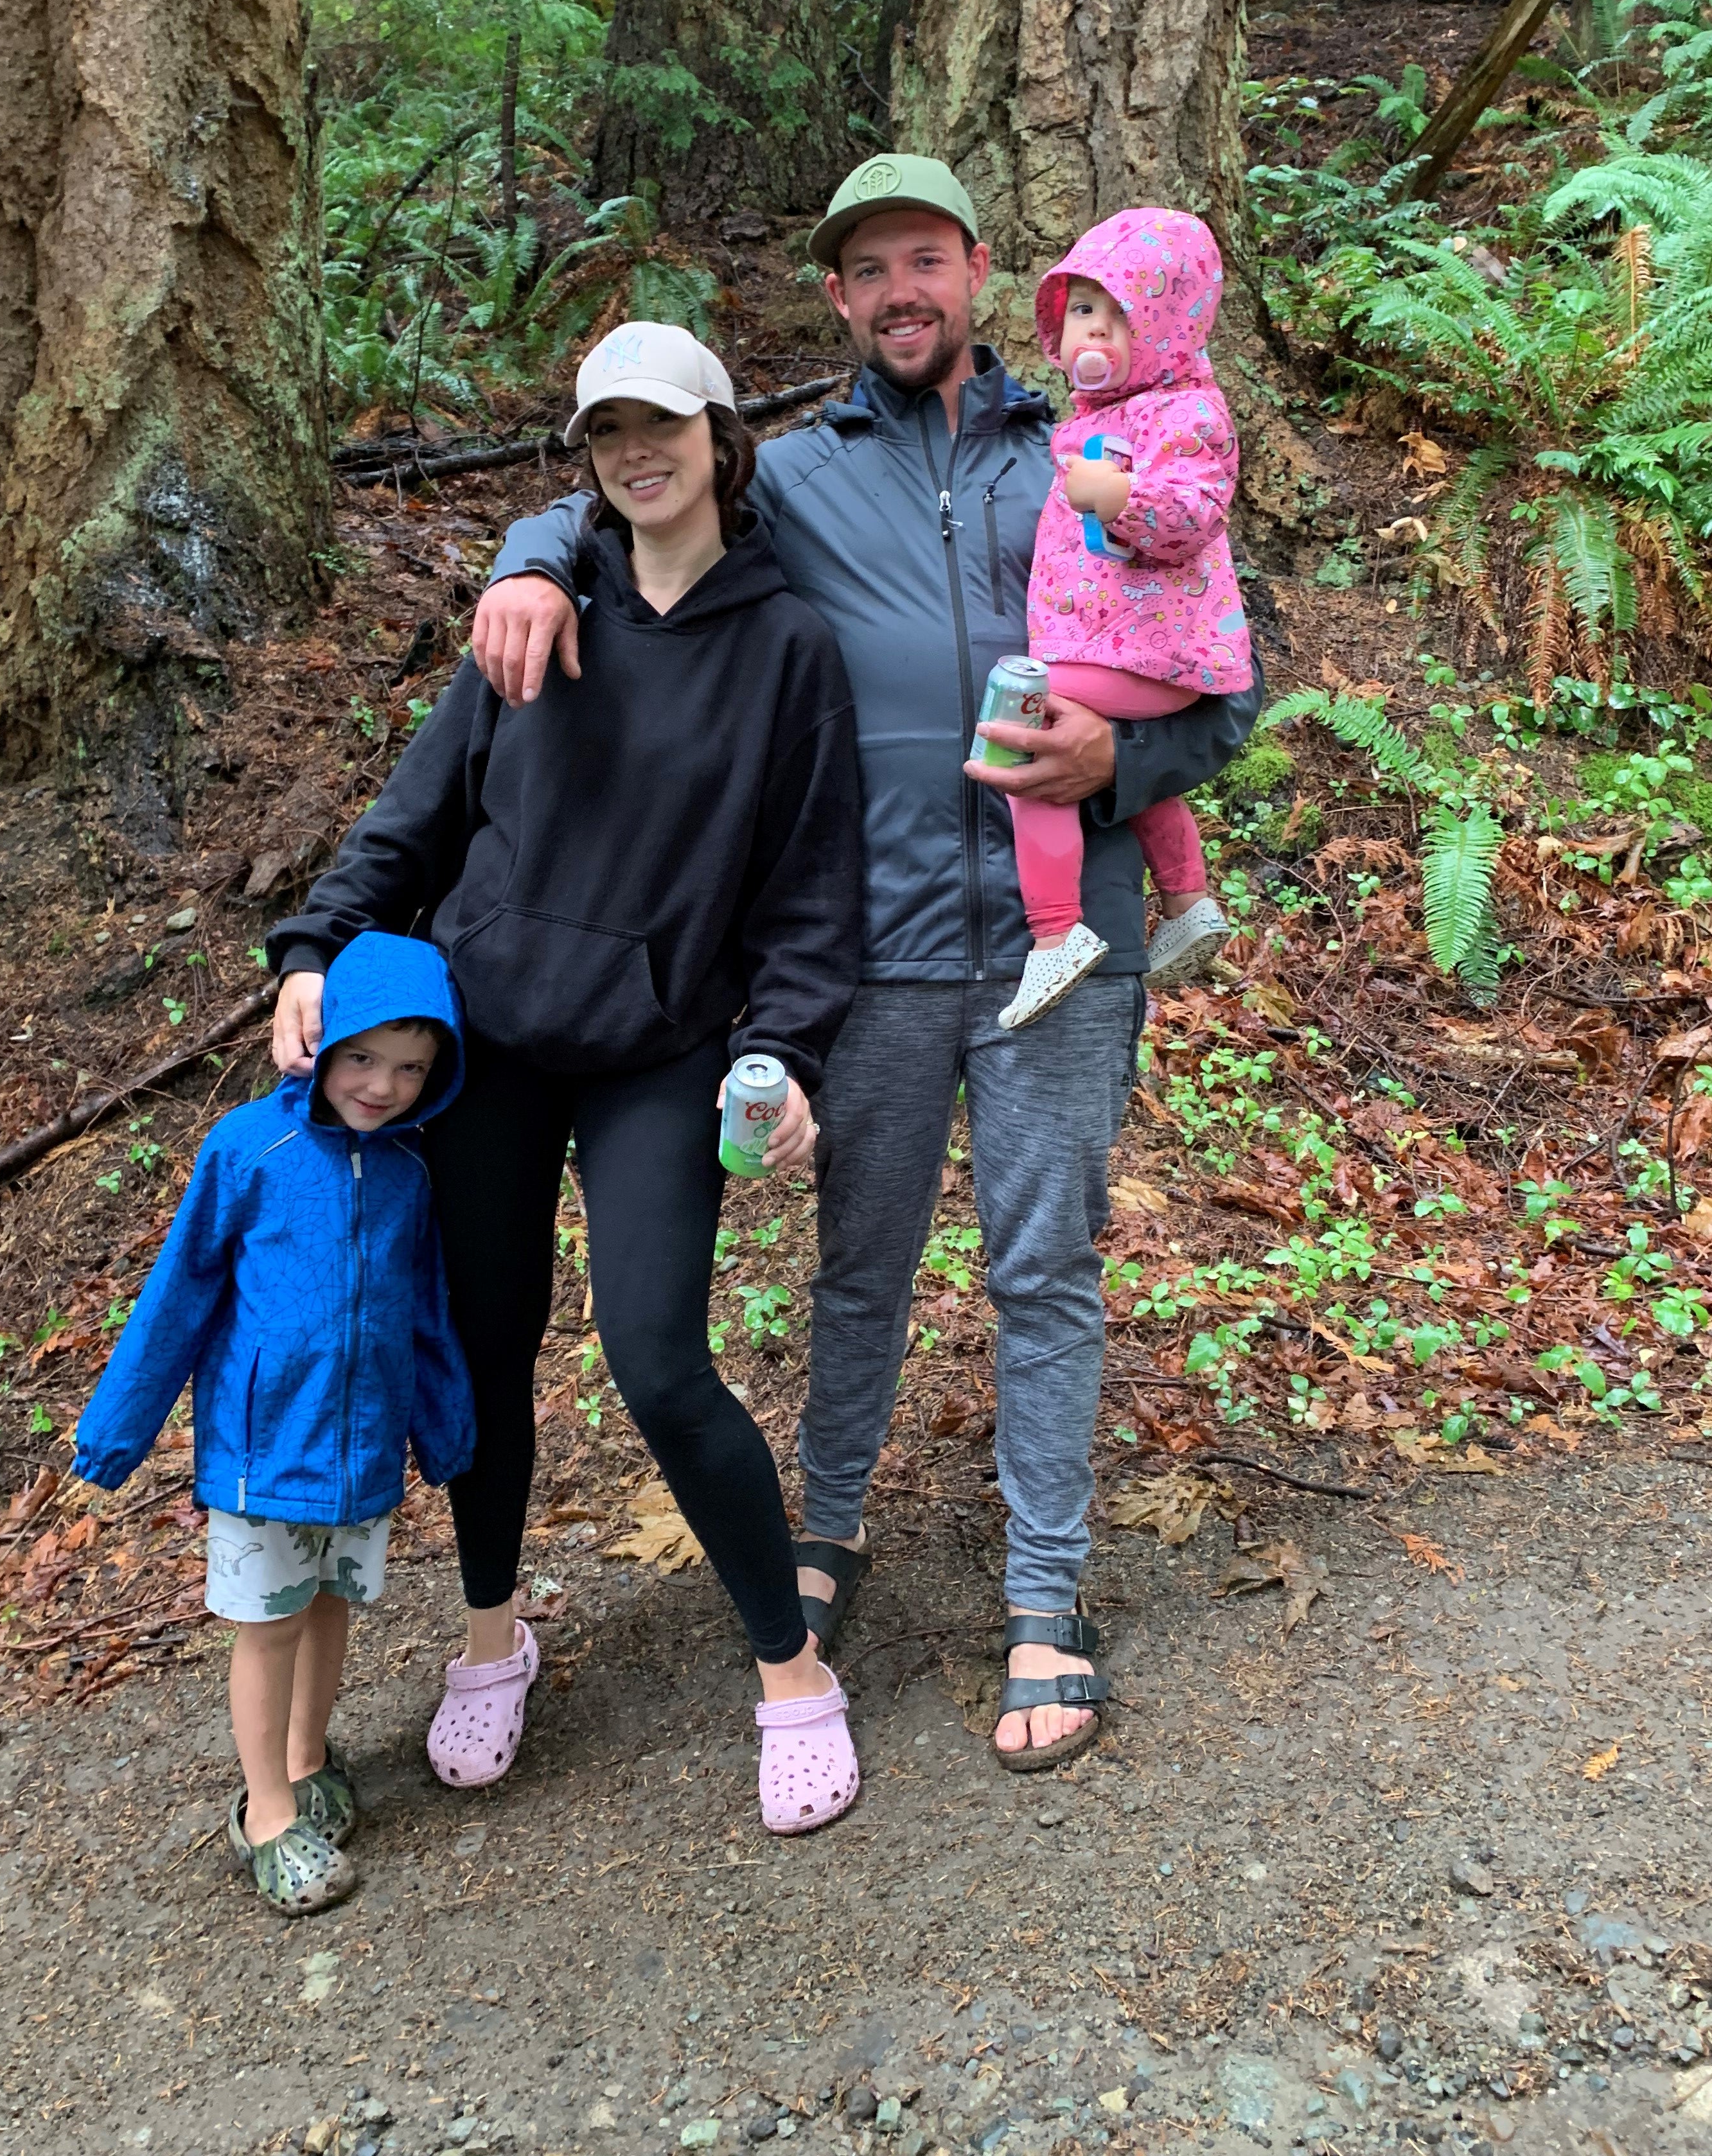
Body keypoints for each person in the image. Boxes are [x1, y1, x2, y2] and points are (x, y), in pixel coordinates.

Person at [473, 156, 1264, 1773]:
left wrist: (1119, 774)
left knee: (1044, 1269)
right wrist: (532, 557)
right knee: (861, 1265)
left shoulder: (1097, 450)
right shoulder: (807, 480)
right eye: (868, 271)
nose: (902, 291)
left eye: (928, 260)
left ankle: (1046, 1601)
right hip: (885, 943)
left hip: (1068, 942)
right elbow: (640, 493)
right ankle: (824, 1531)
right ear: (837, 301)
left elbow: (1223, 684)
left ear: (978, 272)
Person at [267, 321, 866, 1837]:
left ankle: (791, 1669)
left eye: (659, 425)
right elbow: (418, 814)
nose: (634, 455)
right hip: (500, 1036)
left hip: (663, 1050)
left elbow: (810, 893)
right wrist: (319, 947)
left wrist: (782, 1047)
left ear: (724, 440)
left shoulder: (787, 647)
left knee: (659, 1360)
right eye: (606, 433)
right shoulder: (537, 613)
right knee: (485, 1339)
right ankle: (491, 1637)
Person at [73, 931, 475, 1914]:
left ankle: (303, 1761)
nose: (382, 1085)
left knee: (330, 1605)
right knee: (270, 1623)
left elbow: (424, 1311)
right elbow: (181, 1293)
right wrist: (118, 1428)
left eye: (413, 1068)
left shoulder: (410, 1175)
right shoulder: (248, 1149)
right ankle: (265, 1815)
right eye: (364, 1057)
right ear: (322, 1041)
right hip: (266, 1451)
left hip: (363, 1447)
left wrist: (445, 1423)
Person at [996, 207, 1248, 1033]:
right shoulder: (1095, 418)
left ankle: (1056, 932)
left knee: (1024, 721)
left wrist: (1121, 499)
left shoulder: (1186, 411)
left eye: (1115, 315)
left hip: (1149, 647)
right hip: (1118, 643)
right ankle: (1187, 900)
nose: (1089, 332)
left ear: (1166, 327)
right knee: (1103, 754)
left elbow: (1192, 512)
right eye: (1078, 312)